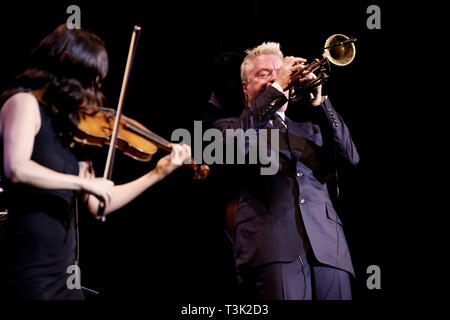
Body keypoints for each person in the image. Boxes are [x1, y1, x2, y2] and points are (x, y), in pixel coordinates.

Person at [0, 24, 191, 300]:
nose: (94, 90)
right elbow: (16, 167)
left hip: (63, 271)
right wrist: (81, 182)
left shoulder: (71, 128)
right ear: (64, 63)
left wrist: (158, 173)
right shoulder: (23, 103)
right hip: (28, 265)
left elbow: (99, 203)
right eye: (89, 79)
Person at [213, 42, 359, 300]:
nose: (273, 77)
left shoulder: (311, 130)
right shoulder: (227, 127)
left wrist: (320, 101)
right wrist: (278, 87)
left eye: (279, 71)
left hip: (330, 251)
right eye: (263, 74)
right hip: (272, 250)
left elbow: (351, 159)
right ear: (245, 87)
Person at [199, 51, 245, 129]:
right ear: (232, 86)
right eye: (243, 86)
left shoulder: (209, 116)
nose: (245, 93)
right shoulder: (211, 123)